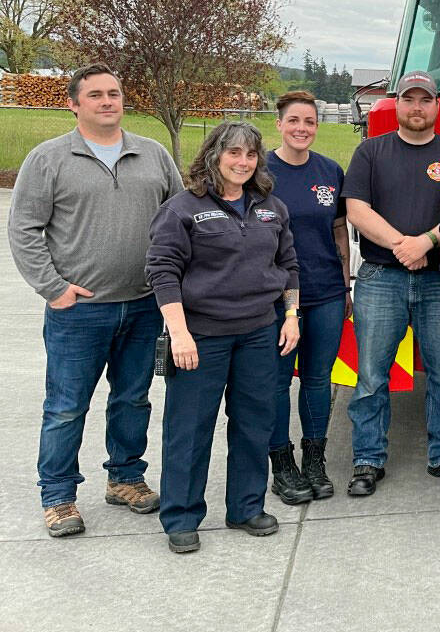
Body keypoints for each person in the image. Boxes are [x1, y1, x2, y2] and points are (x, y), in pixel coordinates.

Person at [8, 64, 183, 538]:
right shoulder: (49, 159)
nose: (108, 101)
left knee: (133, 399)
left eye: (115, 93)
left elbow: (179, 217)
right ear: (74, 103)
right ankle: (59, 496)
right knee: (67, 406)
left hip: (145, 305)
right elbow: (24, 229)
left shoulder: (152, 155)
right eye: (96, 95)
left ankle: (125, 478)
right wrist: (54, 288)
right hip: (80, 311)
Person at [146, 122, 300, 553]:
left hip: (258, 333)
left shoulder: (271, 207)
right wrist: (179, 334)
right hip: (201, 336)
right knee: (189, 429)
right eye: (233, 153)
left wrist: (291, 315)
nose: (242, 162)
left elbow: (289, 265)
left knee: (254, 423)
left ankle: (246, 507)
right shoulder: (183, 208)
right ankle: (181, 516)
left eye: (250, 155)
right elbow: (162, 272)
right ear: (214, 154)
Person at [342, 71, 440, 496]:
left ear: (436, 107)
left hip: (439, 279)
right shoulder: (370, 152)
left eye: (425, 100)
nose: (417, 107)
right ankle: (367, 459)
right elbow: (356, 209)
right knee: (372, 376)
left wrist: (428, 242)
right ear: (397, 104)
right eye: (409, 99)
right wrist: (403, 245)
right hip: (382, 278)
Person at [264, 91, 351, 504]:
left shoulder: (330, 171)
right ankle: (281, 464)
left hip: (327, 291)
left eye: (310, 122)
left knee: (318, 380)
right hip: (274, 299)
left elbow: (338, 231)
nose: (302, 129)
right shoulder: (259, 170)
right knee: (278, 382)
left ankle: (314, 459)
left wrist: (346, 281)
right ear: (278, 124)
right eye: (294, 121)